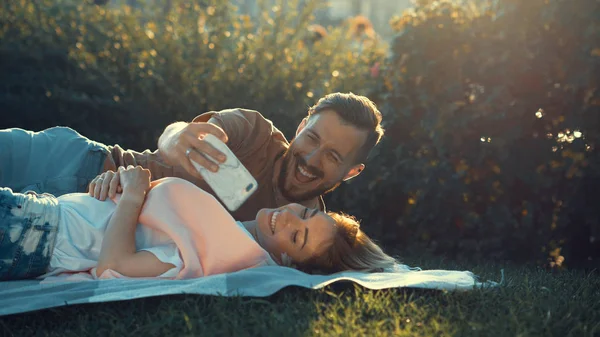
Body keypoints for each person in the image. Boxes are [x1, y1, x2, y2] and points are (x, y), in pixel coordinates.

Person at [0, 92, 384, 222]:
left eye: (333, 156)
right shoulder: (255, 132)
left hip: (81, 220)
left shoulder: (306, 227)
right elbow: (176, 136)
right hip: (78, 163)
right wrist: (178, 136)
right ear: (301, 127)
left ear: (353, 172)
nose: (311, 158)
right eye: (312, 137)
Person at [0, 166, 397, 281]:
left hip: (32, 234)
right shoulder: (228, 230)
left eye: (297, 237)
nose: (289, 217)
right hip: (40, 213)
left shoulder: (217, 255)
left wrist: (136, 194)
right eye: (308, 213)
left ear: (290, 264)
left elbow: (114, 265)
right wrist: (123, 185)